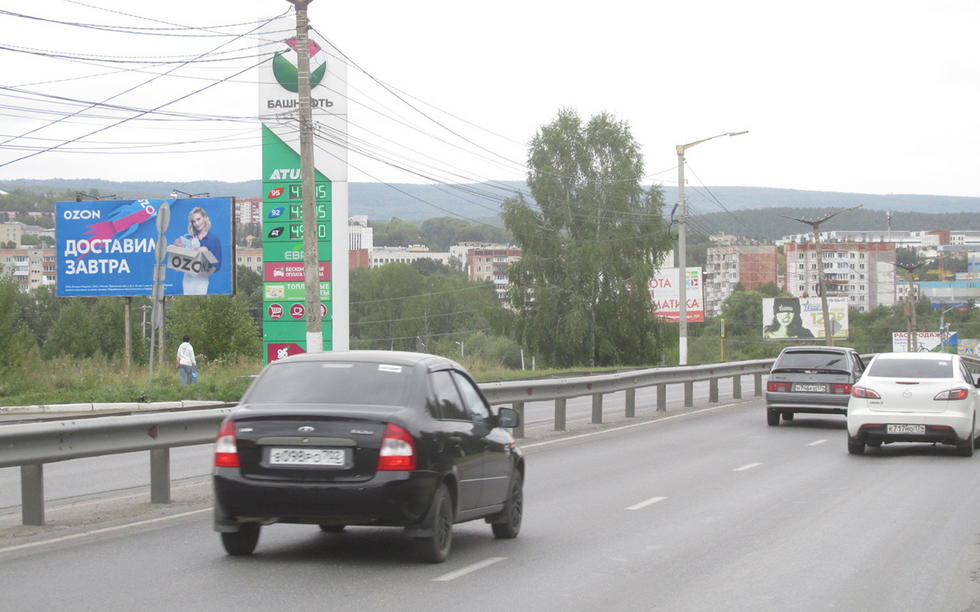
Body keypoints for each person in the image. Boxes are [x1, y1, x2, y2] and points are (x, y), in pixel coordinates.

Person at [173, 206, 221, 295]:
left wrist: (208, 273)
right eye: (193, 221)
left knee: (199, 302)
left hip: (201, 280)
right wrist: (178, 248)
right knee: (187, 303)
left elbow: (217, 263)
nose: (196, 223)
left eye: (198, 219)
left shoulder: (213, 239)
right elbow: (178, 266)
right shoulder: (188, 238)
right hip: (187, 279)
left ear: (205, 218)